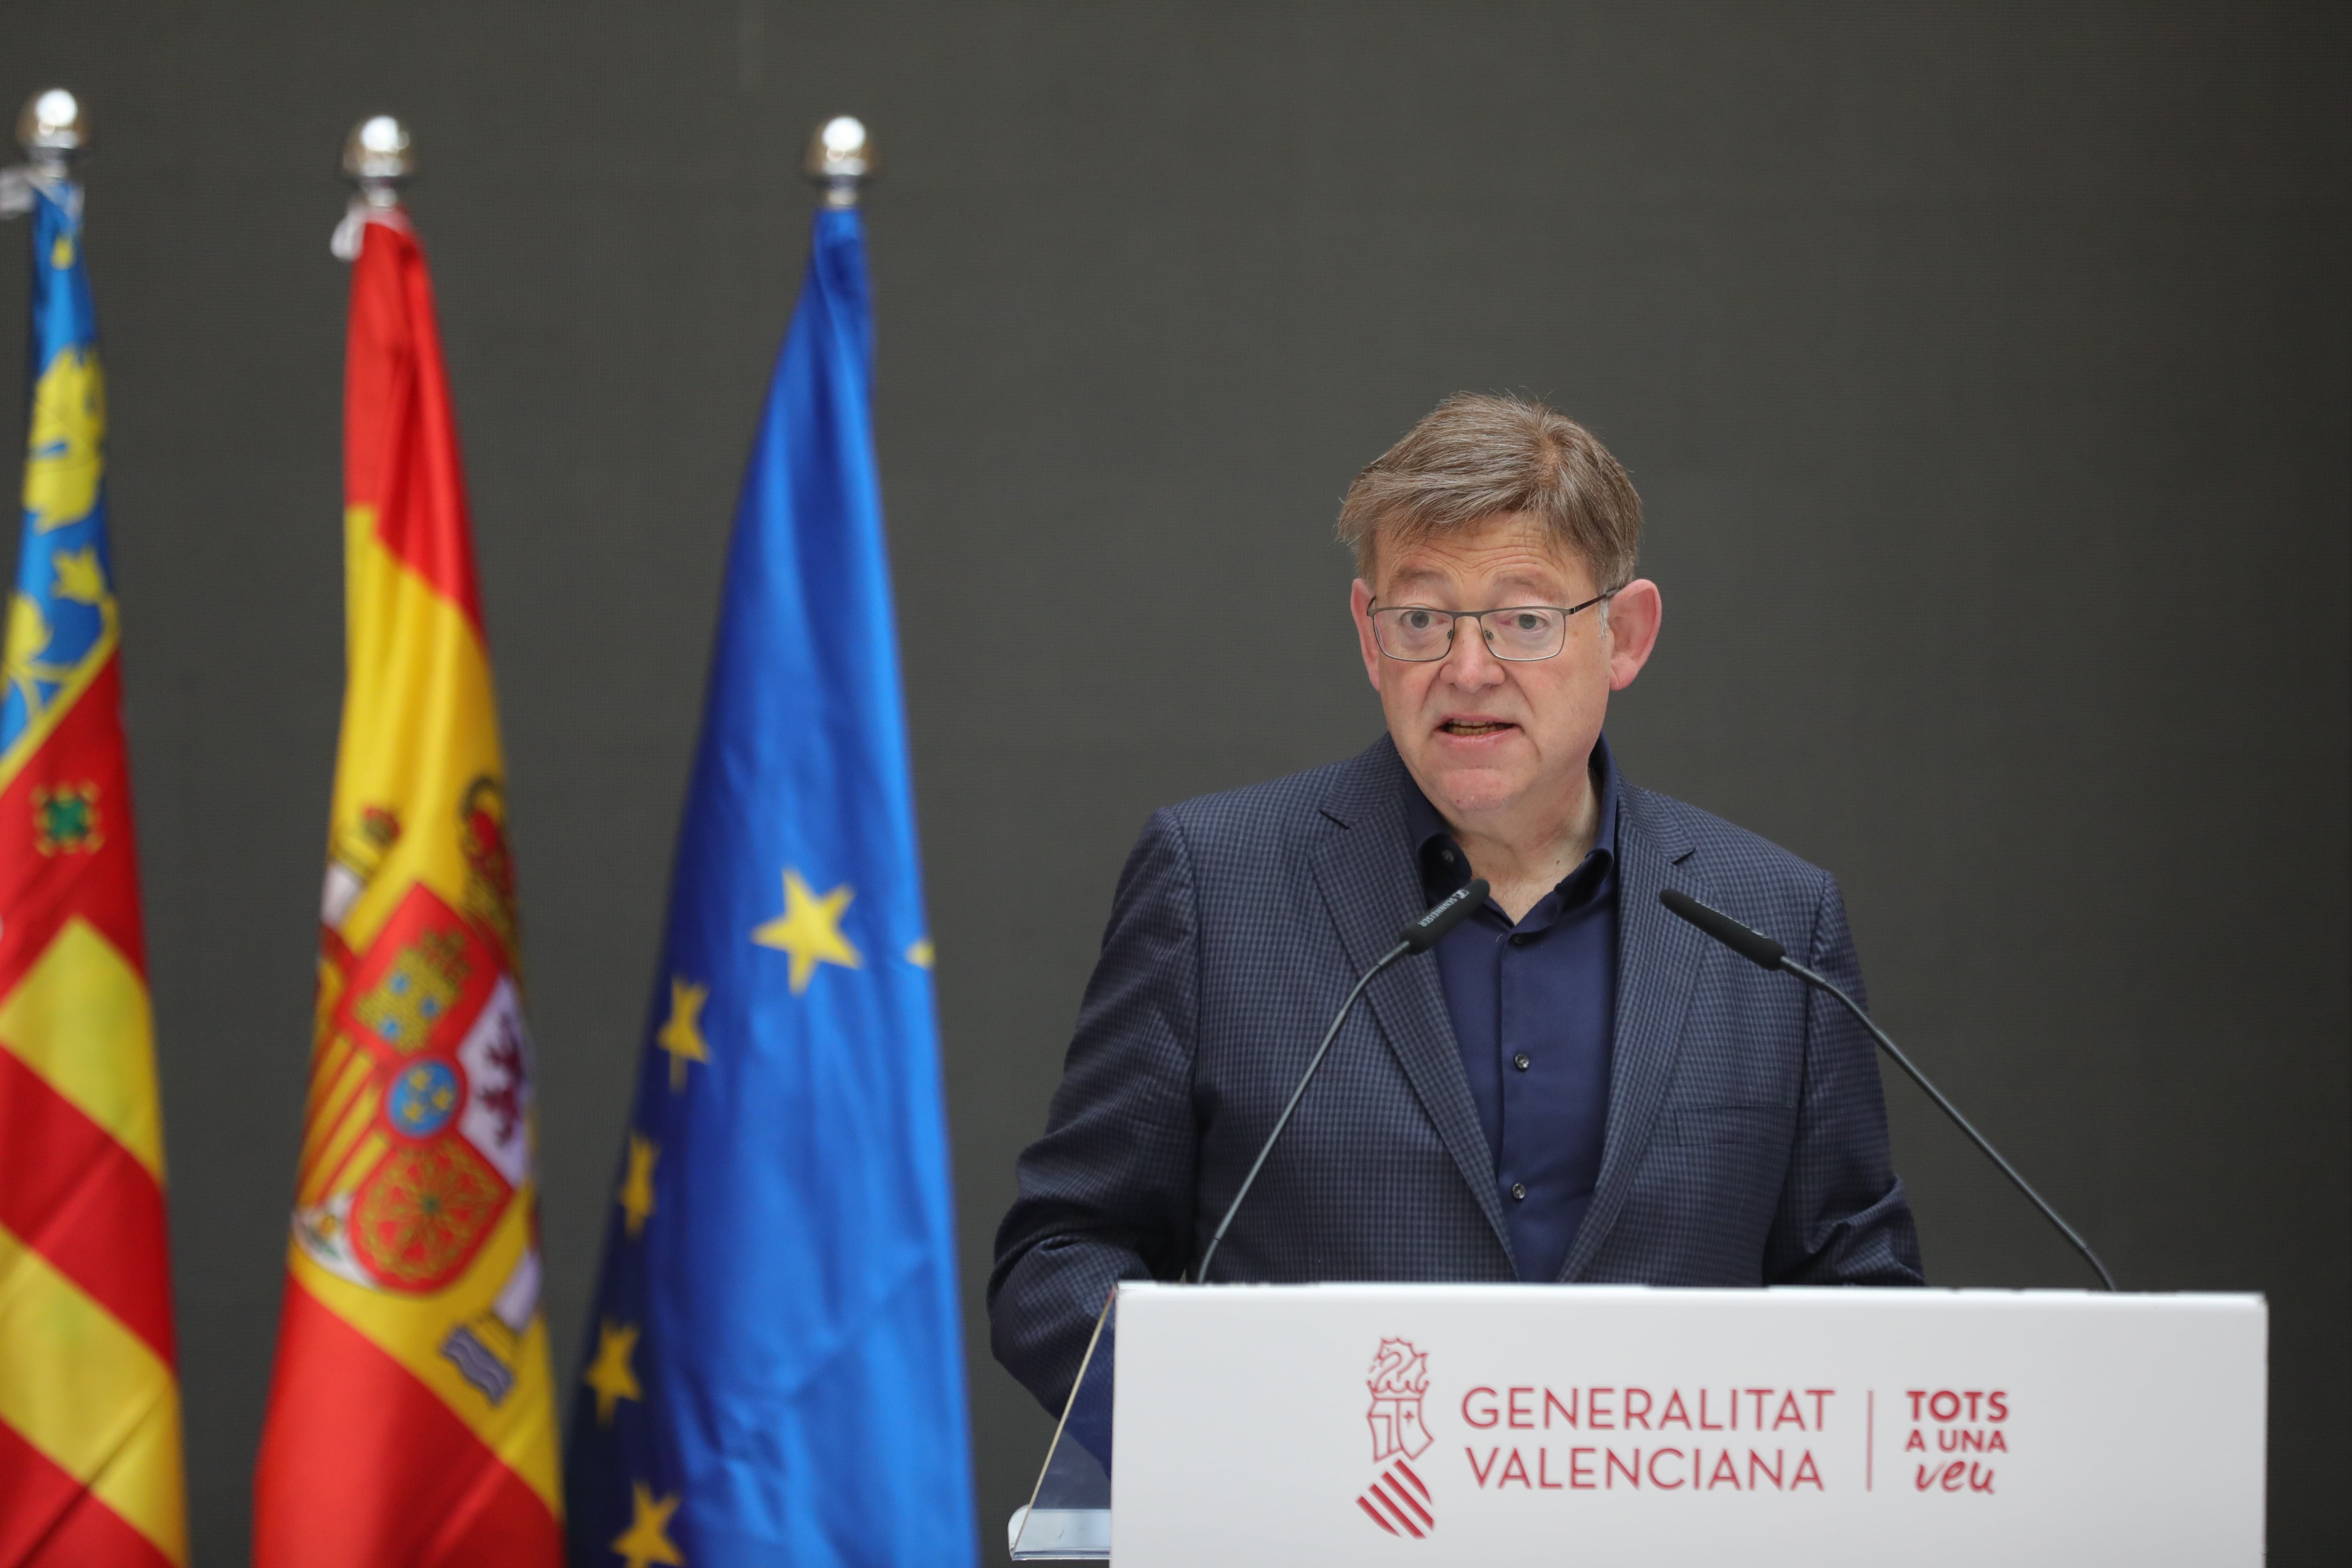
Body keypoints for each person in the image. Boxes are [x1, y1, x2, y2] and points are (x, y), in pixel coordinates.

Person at [989, 393, 1922, 1416]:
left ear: (1626, 635)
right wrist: (1244, 1433)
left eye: (1523, 618)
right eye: (1422, 617)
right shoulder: (1216, 884)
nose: (1466, 669)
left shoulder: (1772, 923)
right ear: (1367, 634)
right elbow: (1056, 1262)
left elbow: (1858, 1301)